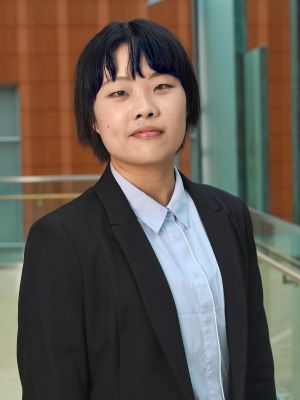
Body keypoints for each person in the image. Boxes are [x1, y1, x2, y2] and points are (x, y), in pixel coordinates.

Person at [17, 18, 276, 400]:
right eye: (120, 93)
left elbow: (255, 366)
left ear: (187, 101)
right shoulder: (61, 242)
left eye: (162, 86)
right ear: (92, 118)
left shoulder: (229, 215)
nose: (146, 108)